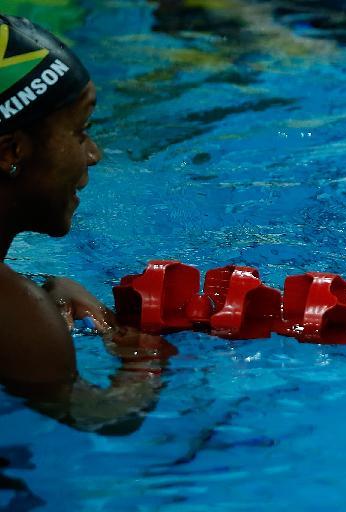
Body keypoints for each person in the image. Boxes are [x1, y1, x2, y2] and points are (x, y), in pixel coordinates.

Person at [0, 14, 174, 434]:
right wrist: (145, 358)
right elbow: (101, 416)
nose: (93, 154)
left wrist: (41, 286)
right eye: (81, 132)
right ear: (11, 151)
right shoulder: (16, 316)